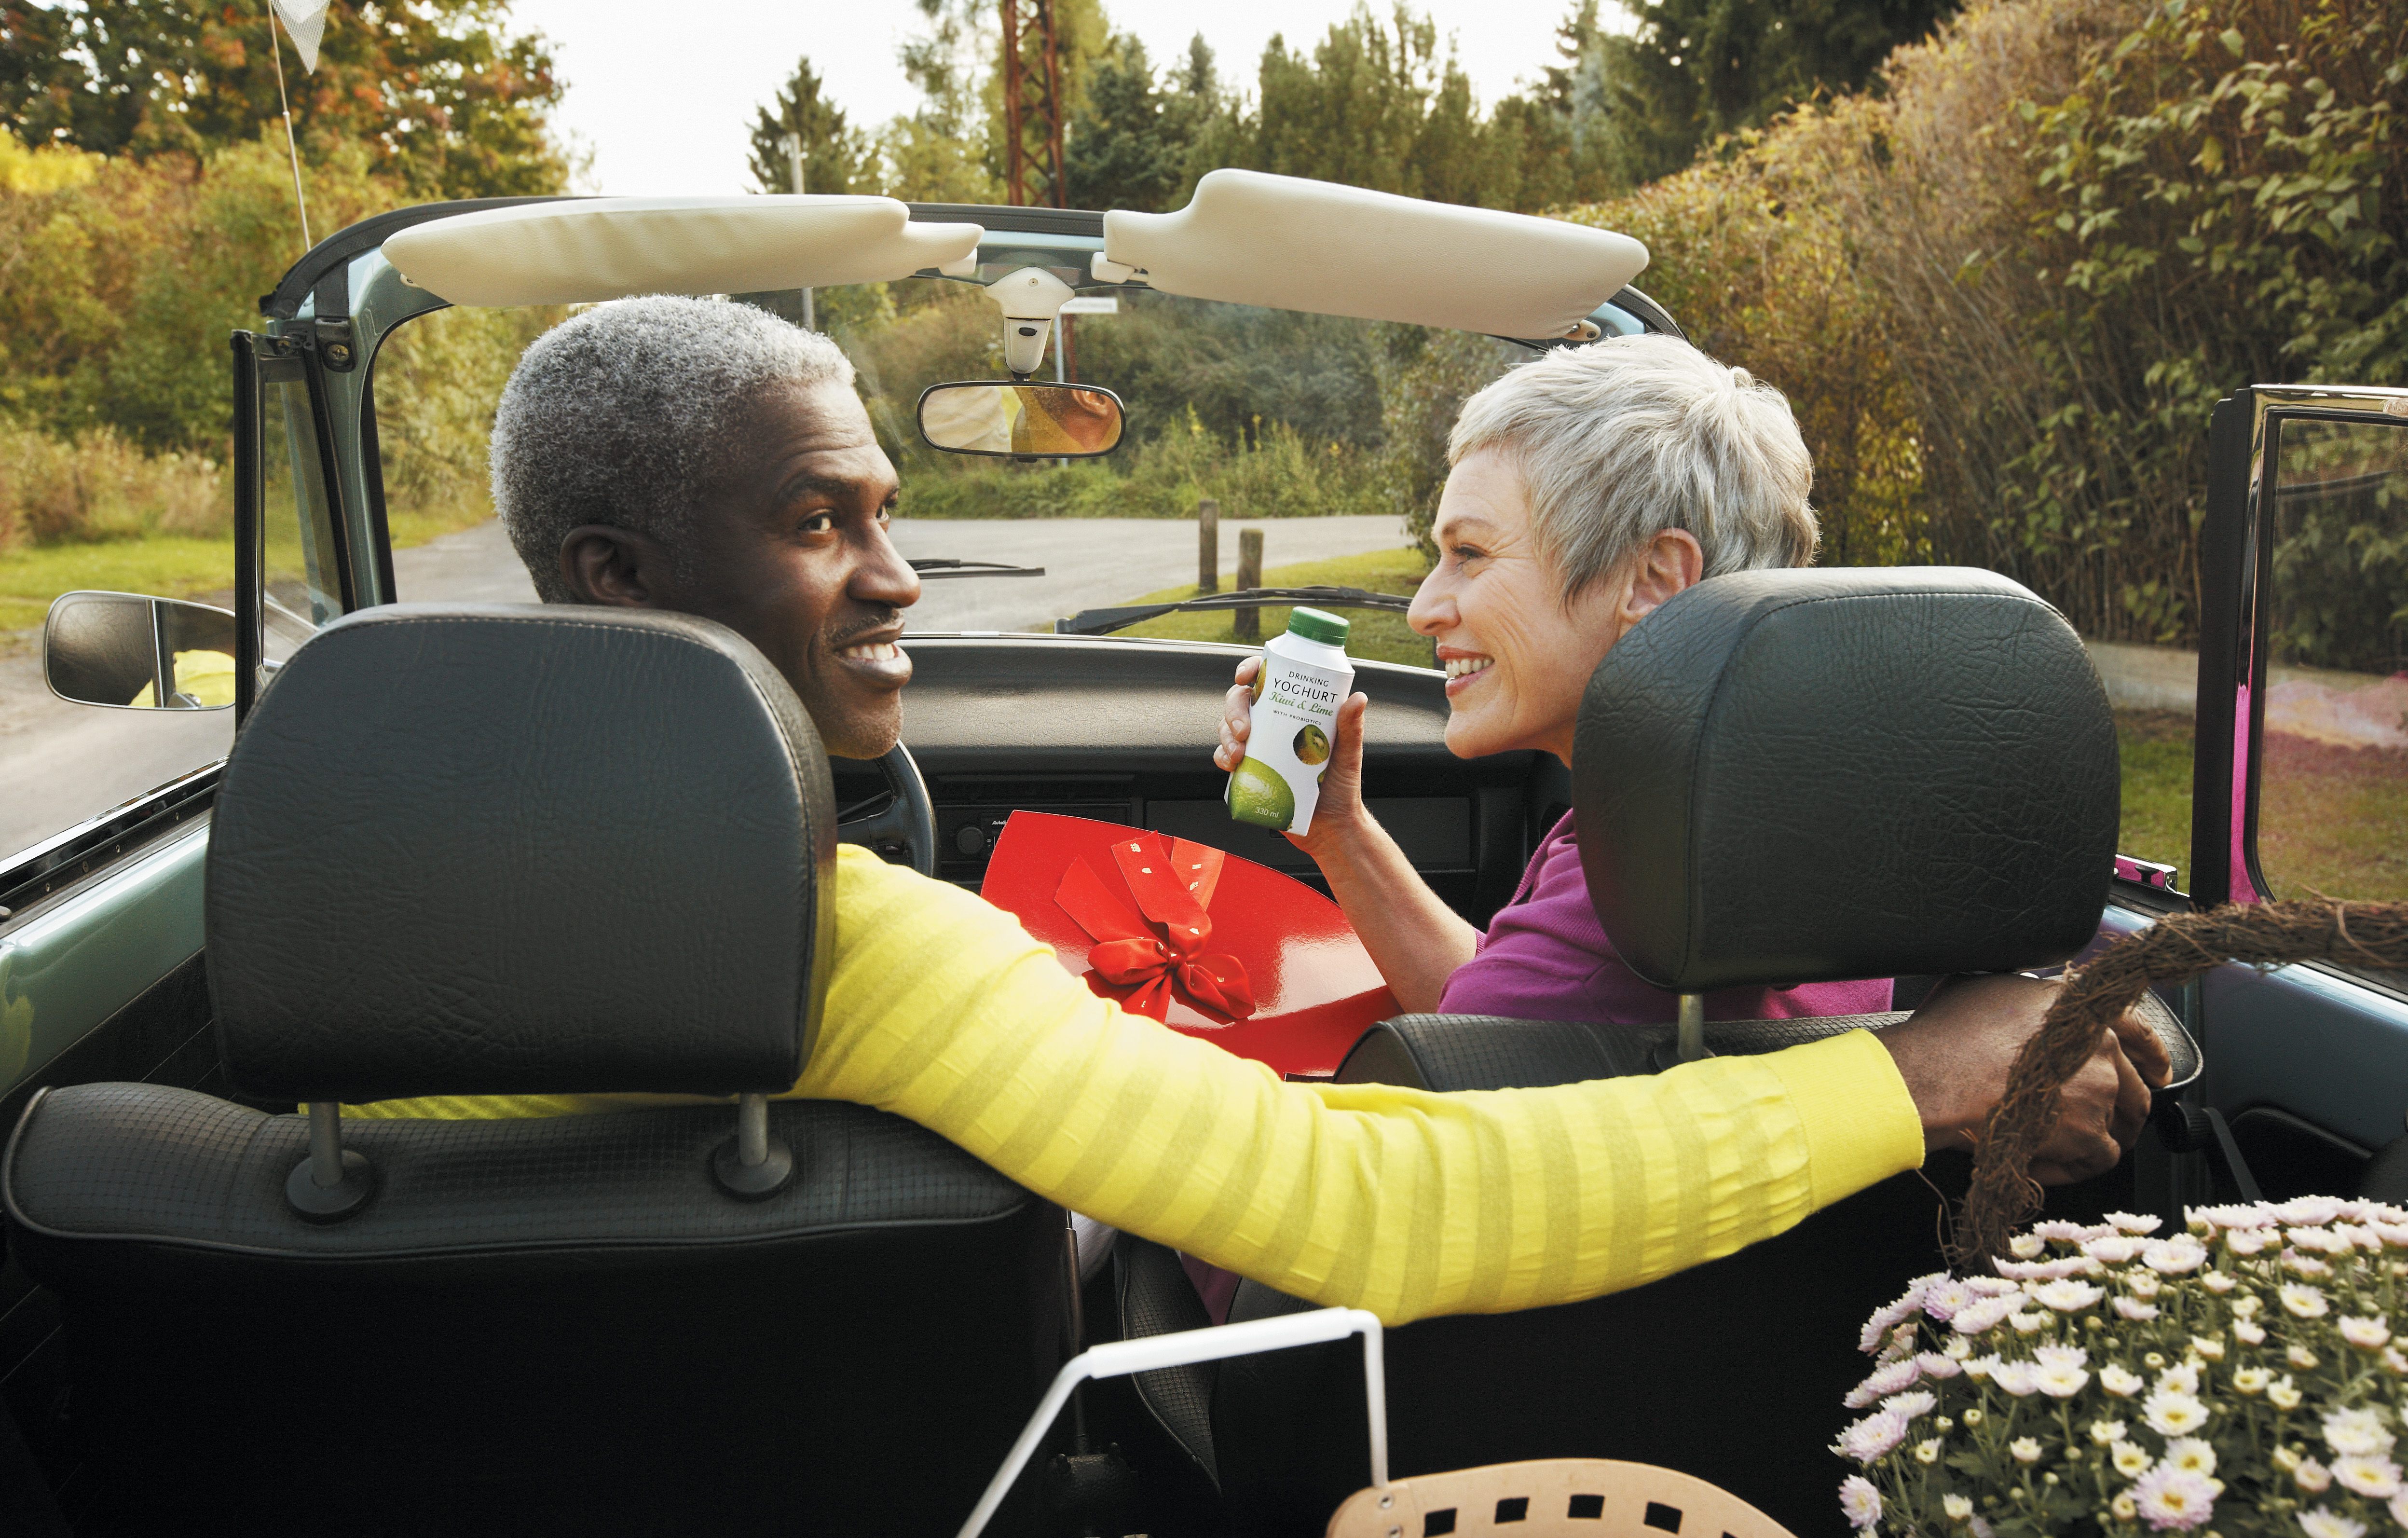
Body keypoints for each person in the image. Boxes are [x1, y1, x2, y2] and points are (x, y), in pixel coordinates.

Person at [349, 296, 2165, 1328]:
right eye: (824, 523)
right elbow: (1371, 1199)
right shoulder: (847, 946)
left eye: (888, 515)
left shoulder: (347, 902)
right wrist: (1913, 1079)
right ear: (617, 573)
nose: (898, 579)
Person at [1217, 338, 1890, 1023]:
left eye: (1470, 553)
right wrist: (1339, 830)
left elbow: (1487, 1025)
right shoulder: (1743, 809)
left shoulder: (1633, 895)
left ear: (1653, 579)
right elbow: (1506, 994)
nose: (1422, 610)